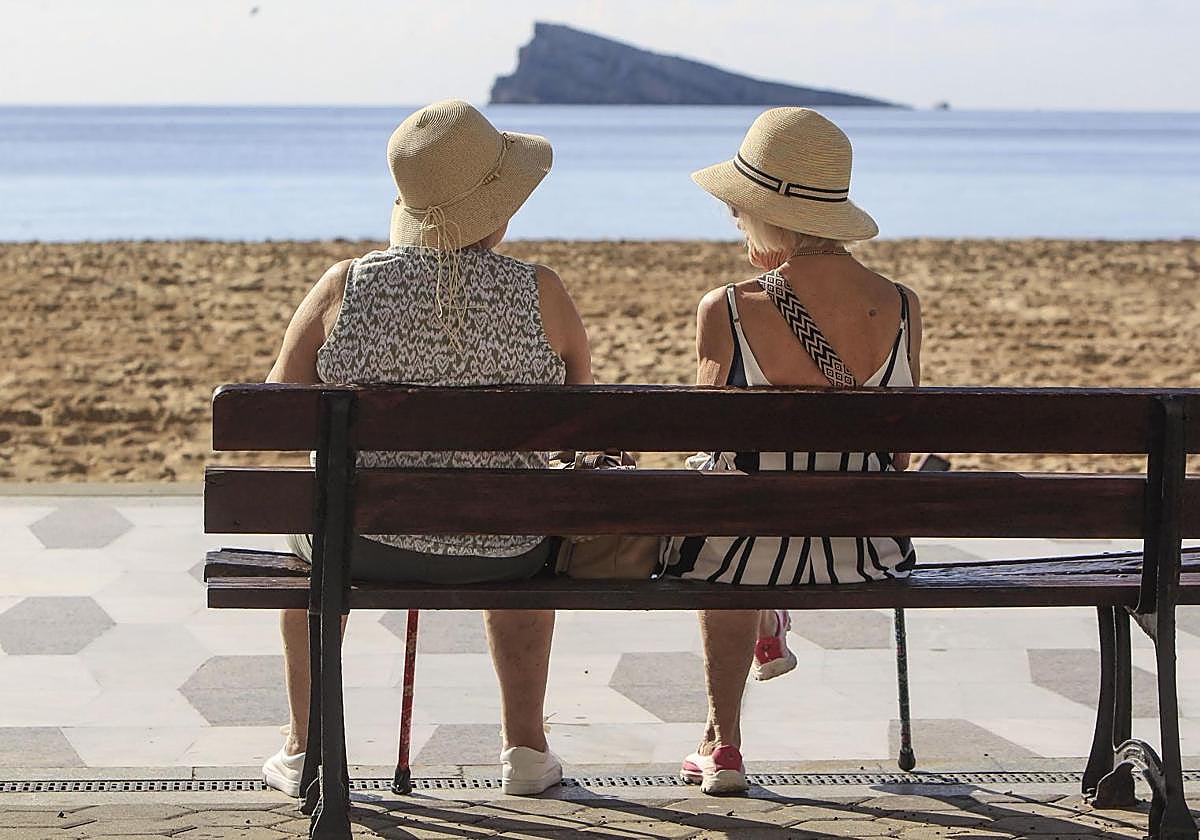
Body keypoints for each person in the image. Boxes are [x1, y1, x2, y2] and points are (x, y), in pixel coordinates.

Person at [260, 100, 591, 798]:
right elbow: (581, 423)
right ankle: (527, 752)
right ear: (497, 211)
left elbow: (274, 415)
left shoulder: (344, 286)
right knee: (524, 524)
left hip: (359, 541)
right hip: (509, 548)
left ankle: (304, 748)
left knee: (304, 552)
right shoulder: (543, 293)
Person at [669, 107, 923, 795]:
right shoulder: (901, 304)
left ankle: (724, 745)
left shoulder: (724, 307)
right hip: (865, 549)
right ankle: (769, 616)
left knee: (728, 519)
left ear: (766, 211)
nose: (733, 220)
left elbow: (709, 437)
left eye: (739, 208)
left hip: (746, 550)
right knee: (754, 511)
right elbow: (899, 456)